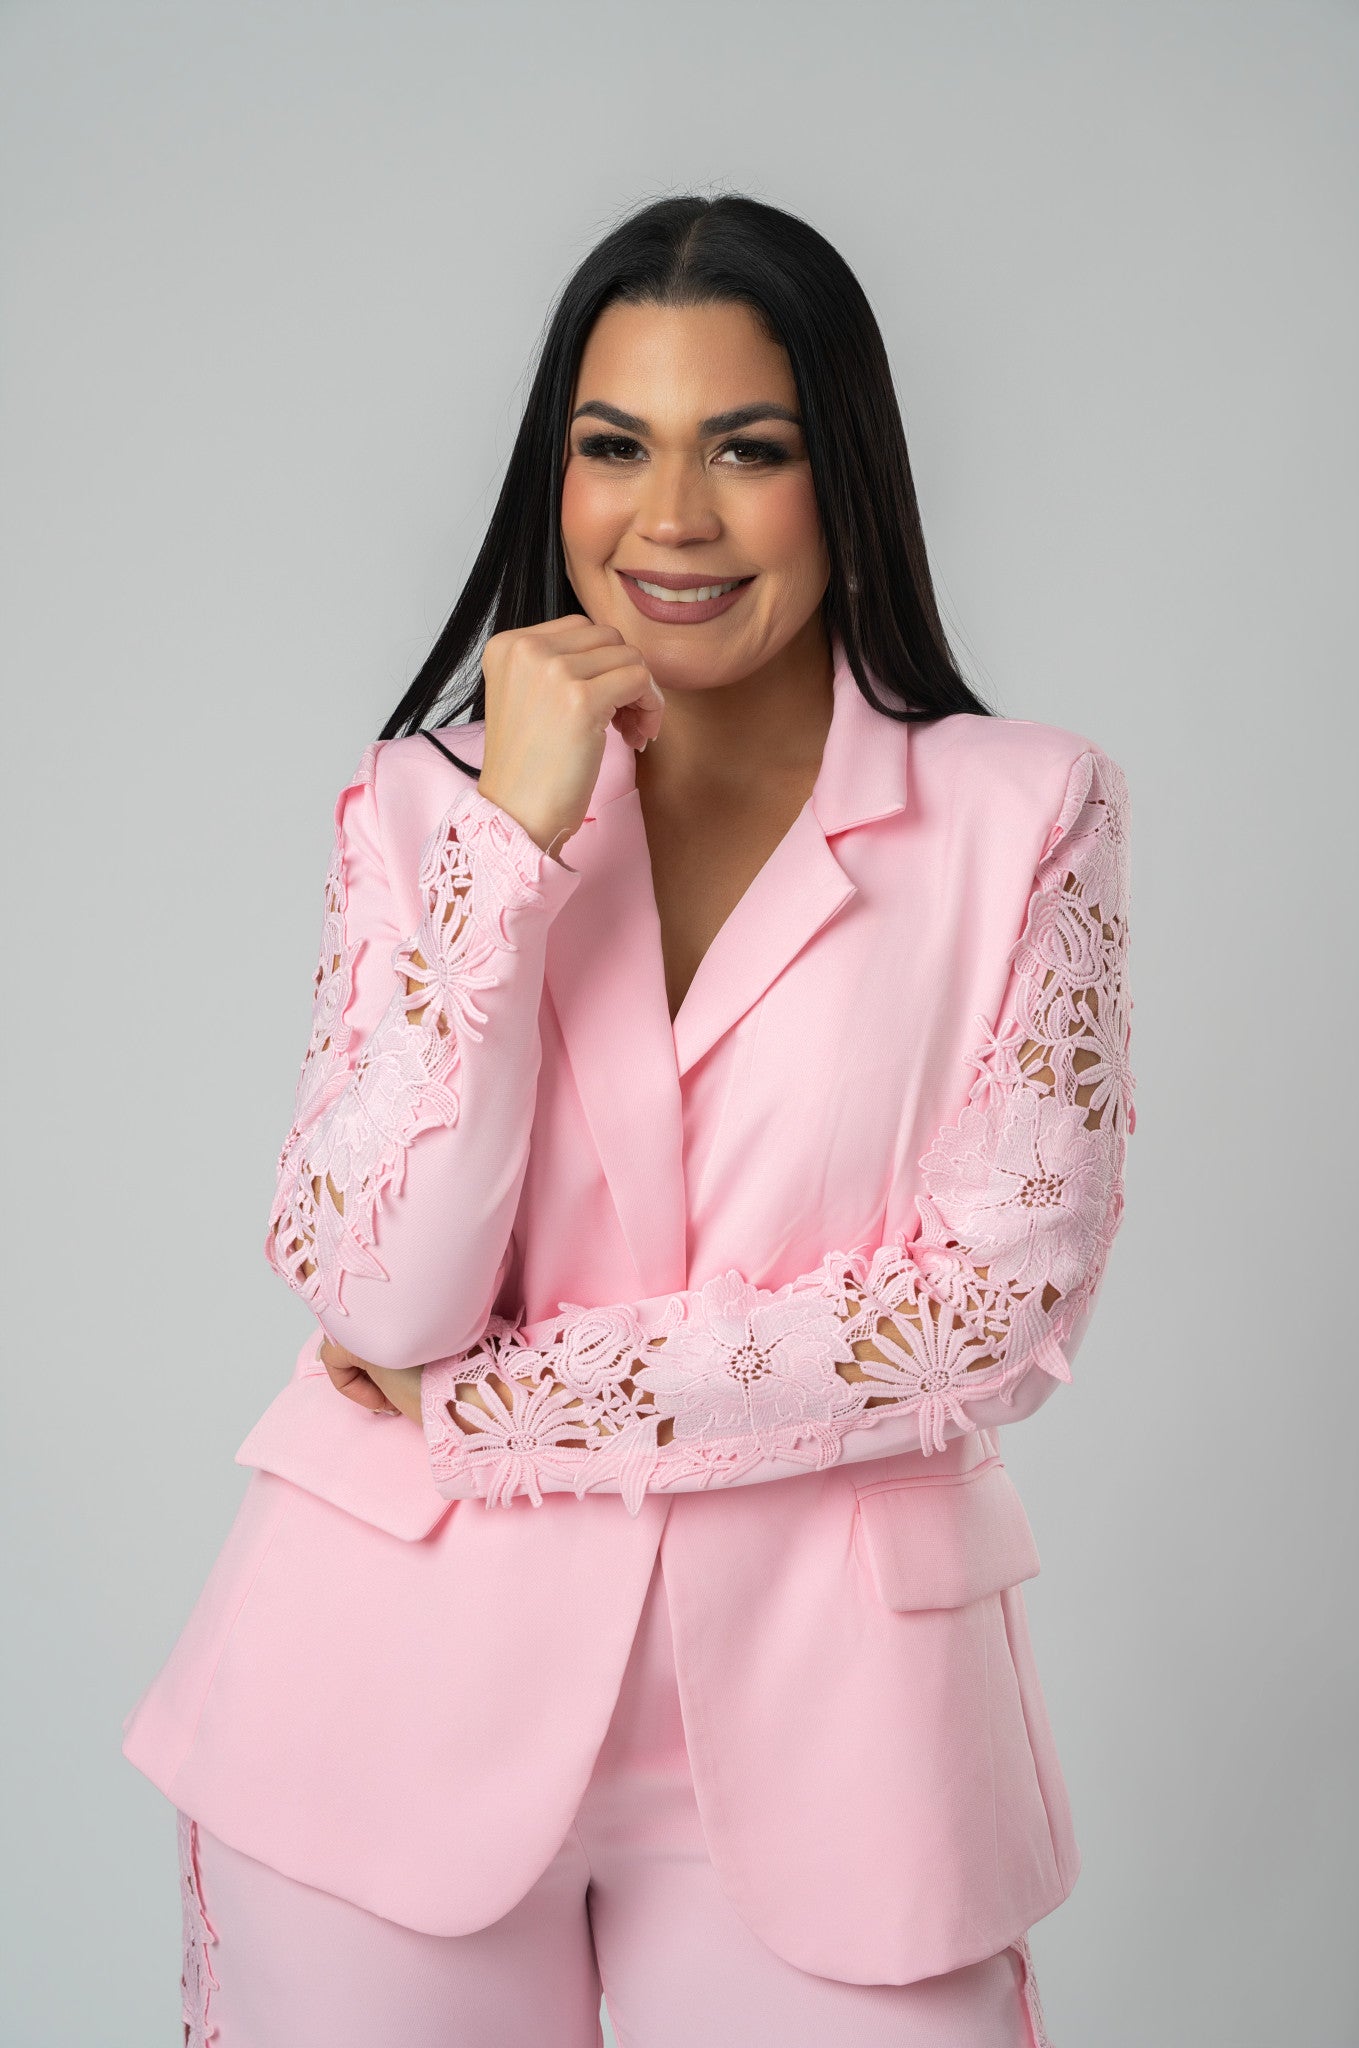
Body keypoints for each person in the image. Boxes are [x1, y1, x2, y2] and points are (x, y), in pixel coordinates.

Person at [123, 192, 1136, 2048]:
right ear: (559, 472)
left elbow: (987, 1313)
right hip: (377, 1710)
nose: (670, 516)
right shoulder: (423, 808)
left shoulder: (1024, 813)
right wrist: (508, 846)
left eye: (746, 449)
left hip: (850, 1752)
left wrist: (496, 1409)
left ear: (844, 476)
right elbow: (378, 1293)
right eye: (615, 447)